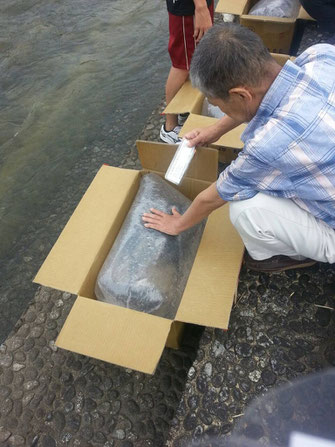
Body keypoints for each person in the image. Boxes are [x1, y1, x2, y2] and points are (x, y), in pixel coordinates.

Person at [143, 23, 335, 273]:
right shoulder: (321, 56)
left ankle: (288, 255)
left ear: (241, 95)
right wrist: (213, 131)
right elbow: (268, 98)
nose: (221, 111)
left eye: (220, 105)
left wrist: (178, 224)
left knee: (245, 209)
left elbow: (217, 193)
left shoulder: (270, 143)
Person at [160, 0, 214, 144]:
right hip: (188, 7)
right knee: (182, 64)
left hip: (198, 4)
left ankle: (184, 110)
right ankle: (169, 127)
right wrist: (200, 7)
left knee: (198, 53)